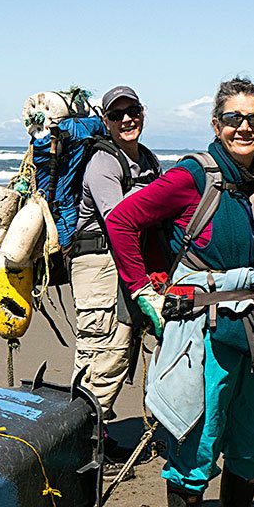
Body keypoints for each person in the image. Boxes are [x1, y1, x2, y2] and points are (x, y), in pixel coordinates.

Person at [105, 76, 254, 507]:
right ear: (217, 125)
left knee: (252, 432)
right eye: (234, 119)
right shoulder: (193, 177)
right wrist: (142, 292)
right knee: (195, 433)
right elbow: (122, 220)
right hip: (204, 330)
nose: (244, 127)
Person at [68, 86, 160, 462]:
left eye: (132, 111)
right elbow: (119, 219)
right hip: (99, 266)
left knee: (122, 351)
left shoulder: (149, 160)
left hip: (128, 263)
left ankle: (96, 435)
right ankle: (81, 446)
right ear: (106, 121)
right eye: (117, 114)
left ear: (143, 112)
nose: (127, 119)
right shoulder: (104, 163)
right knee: (100, 350)